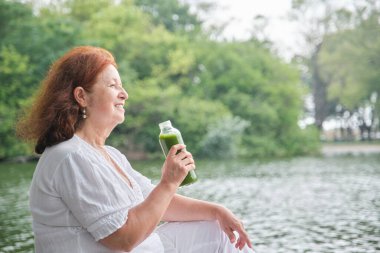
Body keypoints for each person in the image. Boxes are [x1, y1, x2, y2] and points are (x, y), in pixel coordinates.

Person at [17, 46, 255, 253]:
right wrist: (169, 183)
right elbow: (124, 239)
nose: (125, 94)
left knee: (218, 229)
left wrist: (218, 210)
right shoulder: (69, 157)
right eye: (113, 85)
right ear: (81, 96)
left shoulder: (110, 155)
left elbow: (158, 204)